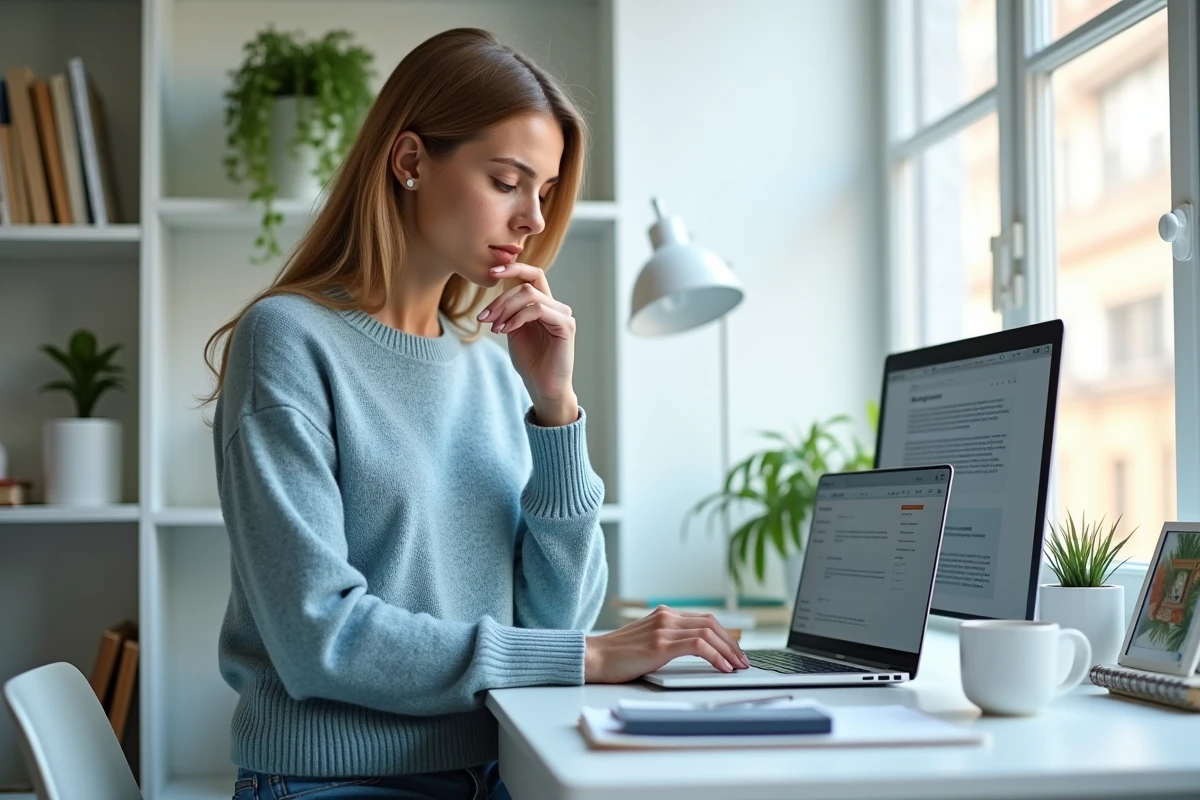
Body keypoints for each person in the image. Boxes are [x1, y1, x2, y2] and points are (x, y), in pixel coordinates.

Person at [201, 27, 748, 800]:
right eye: (507, 181)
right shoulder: (289, 339)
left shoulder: (493, 368)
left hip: (499, 765)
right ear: (412, 161)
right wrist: (585, 658)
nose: (530, 217)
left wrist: (556, 411)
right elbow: (317, 634)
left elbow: (556, 615)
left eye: (546, 192)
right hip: (339, 781)